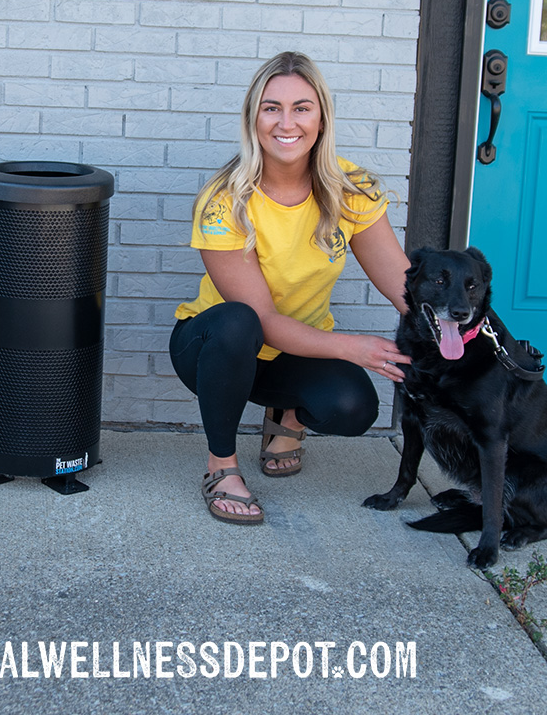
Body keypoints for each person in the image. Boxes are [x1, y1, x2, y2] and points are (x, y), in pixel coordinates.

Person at [170, 51, 412, 525]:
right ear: (253, 118)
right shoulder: (224, 202)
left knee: (354, 407)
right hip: (215, 349)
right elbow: (262, 320)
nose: (287, 123)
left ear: (321, 118)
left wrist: (469, 331)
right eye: (271, 108)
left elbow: (406, 286)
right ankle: (221, 467)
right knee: (239, 321)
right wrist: (353, 348)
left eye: (301, 108)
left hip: (293, 350)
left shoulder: (350, 189)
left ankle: (287, 417)